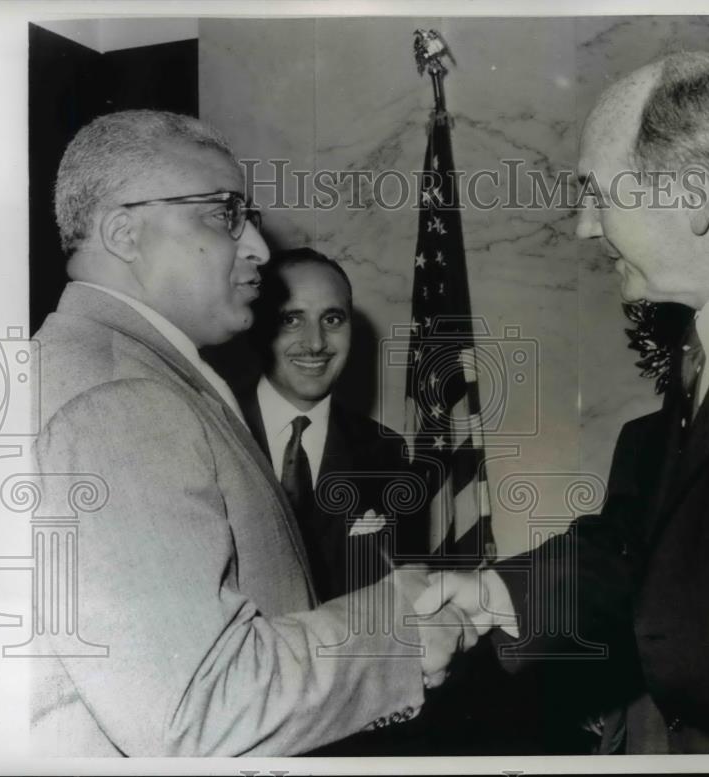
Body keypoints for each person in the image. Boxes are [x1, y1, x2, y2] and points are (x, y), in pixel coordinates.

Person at [422, 50, 709, 753]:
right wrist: (505, 595)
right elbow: (645, 542)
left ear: (695, 193)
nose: (585, 228)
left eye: (598, 194)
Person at [30, 109, 474, 756]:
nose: (258, 249)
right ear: (124, 231)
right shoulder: (121, 398)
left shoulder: (108, 368)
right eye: (221, 213)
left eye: (250, 217)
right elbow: (199, 709)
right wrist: (396, 626)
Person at [236, 248, 427, 604]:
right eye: (291, 320)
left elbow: (404, 599)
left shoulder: (387, 453)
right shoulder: (215, 425)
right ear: (257, 326)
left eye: (333, 320)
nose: (316, 343)